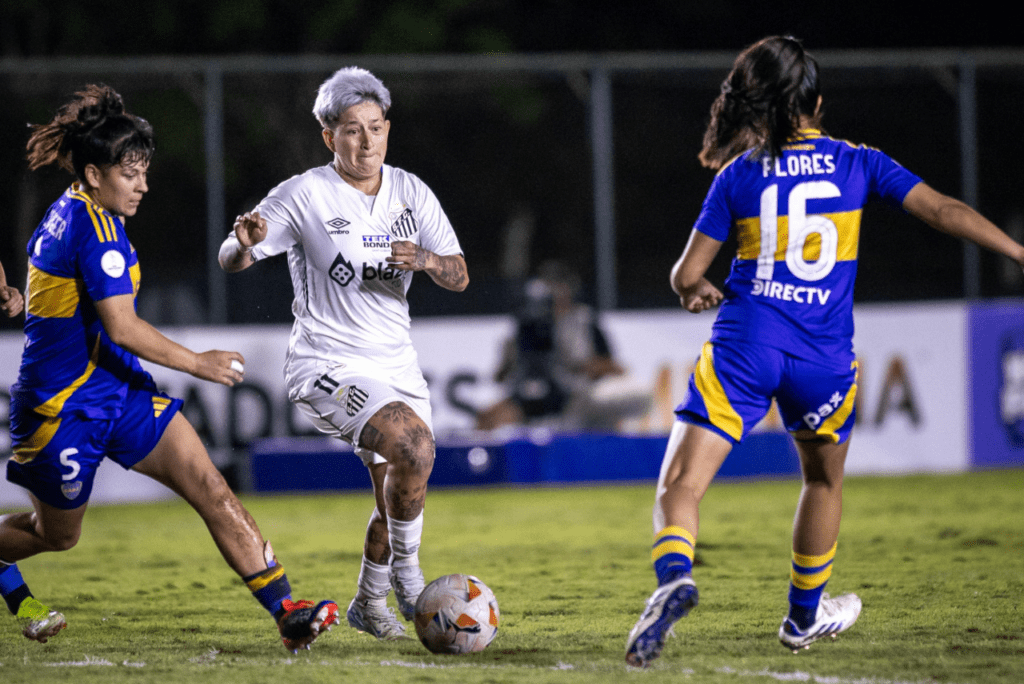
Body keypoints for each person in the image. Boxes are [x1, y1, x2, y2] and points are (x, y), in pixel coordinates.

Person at [624, 36, 1024, 667]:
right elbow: (943, 211)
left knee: (681, 484)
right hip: (824, 358)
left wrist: (697, 291)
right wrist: (1020, 253)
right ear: (816, 102)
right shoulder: (857, 162)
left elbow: (686, 273)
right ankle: (804, 617)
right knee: (822, 481)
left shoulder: (739, 174)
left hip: (747, 344)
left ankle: (674, 577)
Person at [0, 85, 338, 651]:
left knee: (211, 487)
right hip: (61, 411)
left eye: (144, 170)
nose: (144, 184)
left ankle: (287, 611)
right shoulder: (93, 228)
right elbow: (122, 328)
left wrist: (18, 301)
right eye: (130, 173)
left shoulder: (74, 208)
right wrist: (198, 362)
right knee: (56, 537)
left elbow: (54, 289)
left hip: (121, 393)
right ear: (92, 172)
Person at [219, 67, 468, 641]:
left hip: (396, 364)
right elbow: (233, 256)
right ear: (329, 135)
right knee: (413, 445)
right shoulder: (304, 193)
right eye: (352, 130)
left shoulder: (411, 191)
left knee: (404, 477)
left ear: (387, 129)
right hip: (326, 364)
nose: (366, 141)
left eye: (376, 128)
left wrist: (428, 261)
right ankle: (409, 580)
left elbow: (458, 275)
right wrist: (244, 243)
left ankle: (368, 601)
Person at [475, 260, 649, 432]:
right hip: (533, 397)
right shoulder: (527, 326)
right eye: (548, 287)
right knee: (491, 418)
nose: (554, 293)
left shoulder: (583, 320)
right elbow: (504, 376)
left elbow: (614, 367)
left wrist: (585, 366)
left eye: (558, 286)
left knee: (631, 395)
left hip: (579, 394)